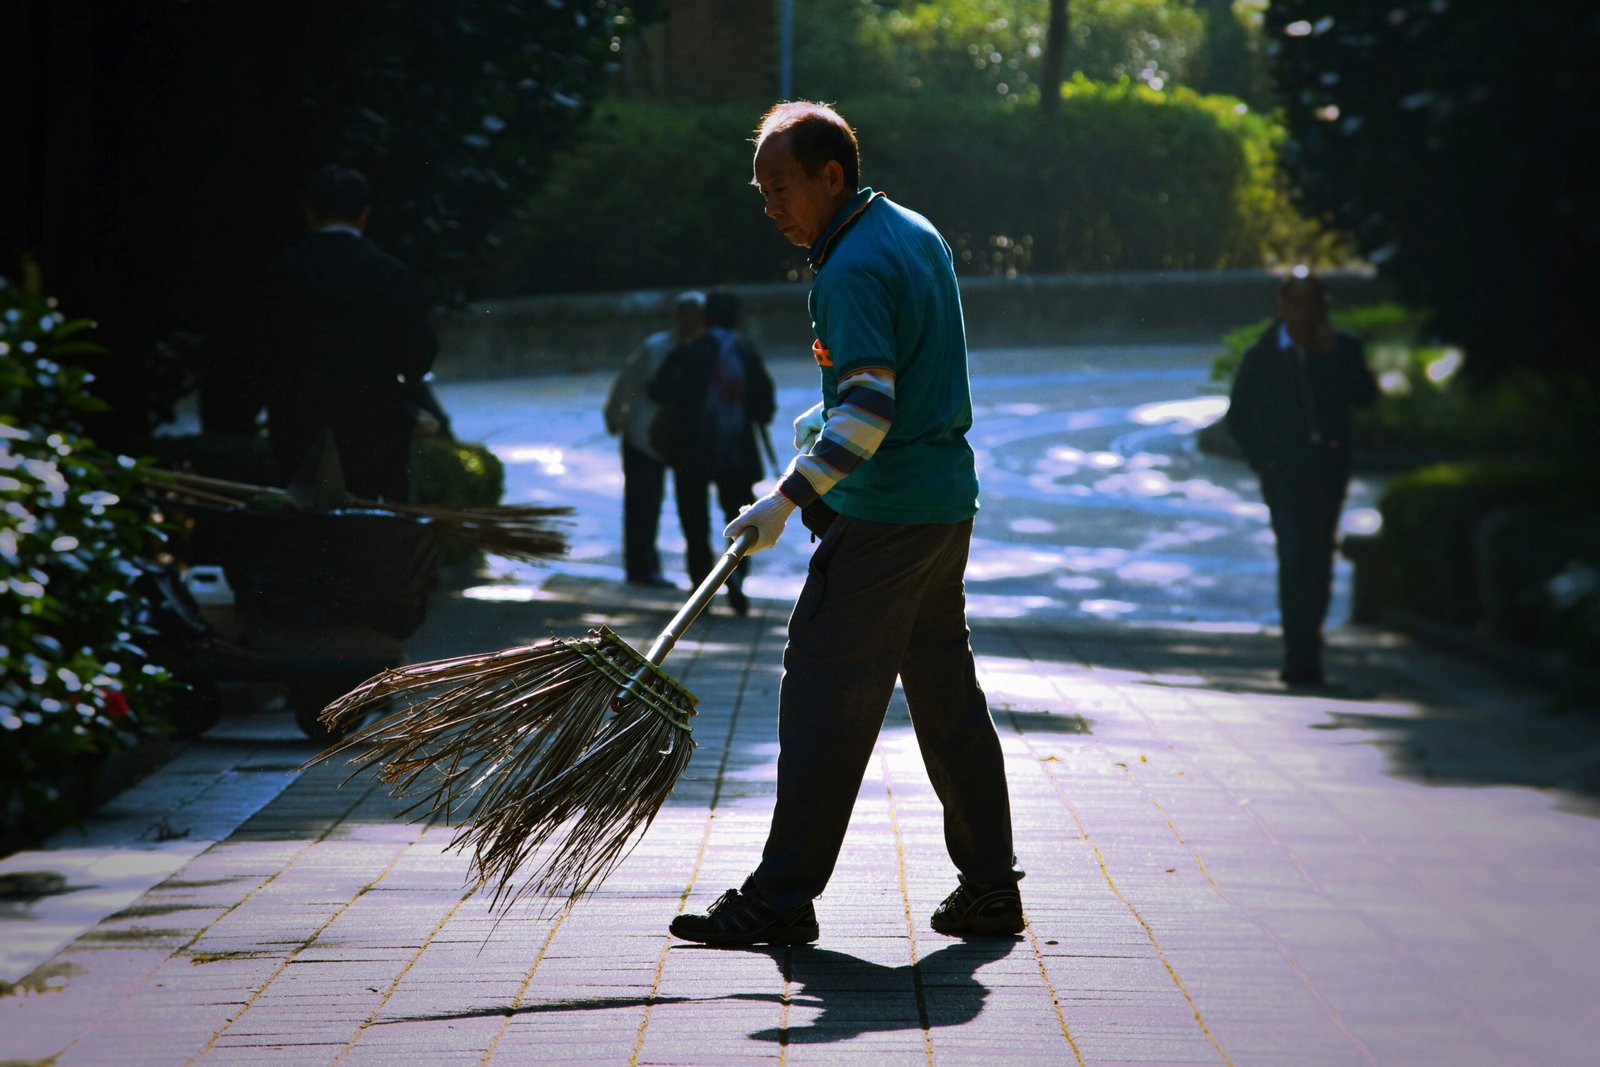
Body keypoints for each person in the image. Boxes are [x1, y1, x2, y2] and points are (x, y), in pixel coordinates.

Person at [669, 102, 1023, 946]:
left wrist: (786, 500)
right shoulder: (911, 232)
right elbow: (880, 395)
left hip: (888, 514)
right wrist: (802, 454)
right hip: (941, 505)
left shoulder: (850, 266)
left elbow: (868, 406)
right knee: (944, 693)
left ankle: (781, 895)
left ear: (832, 177)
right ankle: (990, 886)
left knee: (825, 689)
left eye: (783, 188)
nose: (772, 209)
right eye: (762, 194)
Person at [249, 164, 438, 502]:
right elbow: (418, 356)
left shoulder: (281, 274)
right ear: (364, 215)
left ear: (310, 214)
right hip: (374, 430)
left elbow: (257, 353)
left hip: (297, 427)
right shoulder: (390, 274)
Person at [1226, 270, 1379, 687]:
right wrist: (1265, 461)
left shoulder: (1341, 348)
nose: (1304, 314)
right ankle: (1299, 652)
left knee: (1319, 557)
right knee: (1293, 555)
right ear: (1282, 306)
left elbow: (1365, 396)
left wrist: (1331, 359)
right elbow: (1238, 416)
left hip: (1326, 471)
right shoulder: (1263, 355)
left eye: (1313, 305)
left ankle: (1309, 645)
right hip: (1283, 474)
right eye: (1296, 304)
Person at [648, 288, 775, 615]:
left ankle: (700, 589)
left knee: (694, 522)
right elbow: (765, 407)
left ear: (705, 317)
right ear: (736, 318)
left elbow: (657, 390)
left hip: (691, 453)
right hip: (736, 454)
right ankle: (734, 577)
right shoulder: (746, 353)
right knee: (739, 520)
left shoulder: (690, 351)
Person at [603, 291, 706, 588]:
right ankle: (641, 568)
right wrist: (614, 416)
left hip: (671, 438)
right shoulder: (657, 347)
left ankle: (646, 567)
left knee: (652, 503)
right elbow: (627, 382)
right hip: (642, 435)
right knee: (642, 504)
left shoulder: (700, 349)